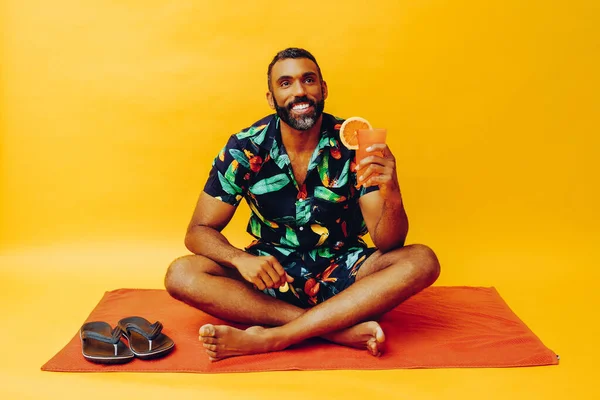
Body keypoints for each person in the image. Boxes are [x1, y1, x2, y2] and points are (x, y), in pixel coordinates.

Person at [164, 47, 440, 361]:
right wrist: (239, 259)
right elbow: (198, 231)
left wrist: (393, 192)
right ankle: (331, 328)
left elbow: (389, 242)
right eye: (286, 83)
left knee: (422, 260)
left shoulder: (355, 143)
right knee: (182, 273)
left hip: (345, 270)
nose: (299, 91)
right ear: (271, 98)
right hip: (271, 274)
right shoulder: (246, 147)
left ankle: (275, 337)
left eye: (308, 80)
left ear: (323, 89)